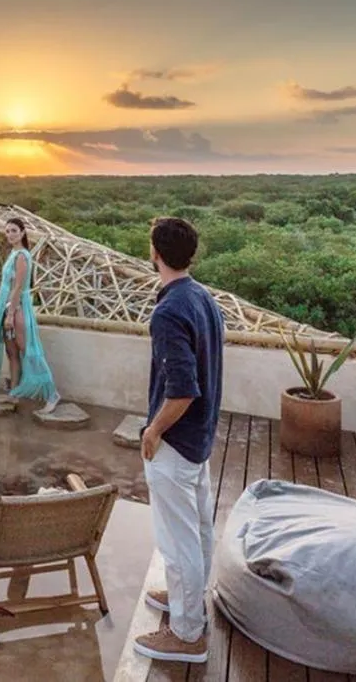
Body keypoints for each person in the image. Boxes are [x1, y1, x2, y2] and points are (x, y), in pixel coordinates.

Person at [133, 216, 224, 665]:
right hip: (201, 438)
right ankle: (186, 598)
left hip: (176, 440)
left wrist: (153, 430)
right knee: (199, 529)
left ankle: (188, 634)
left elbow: (183, 388)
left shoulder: (169, 310)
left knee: (177, 539)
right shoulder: (202, 296)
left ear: (156, 253)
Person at [0, 217, 61, 414]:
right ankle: (14, 393)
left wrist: (10, 315)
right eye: (7, 231)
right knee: (11, 352)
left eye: (14, 230)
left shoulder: (22, 255)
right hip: (7, 308)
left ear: (23, 232)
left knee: (28, 351)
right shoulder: (13, 254)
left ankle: (52, 394)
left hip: (17, 309)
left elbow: (18, 287)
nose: (10, 234)